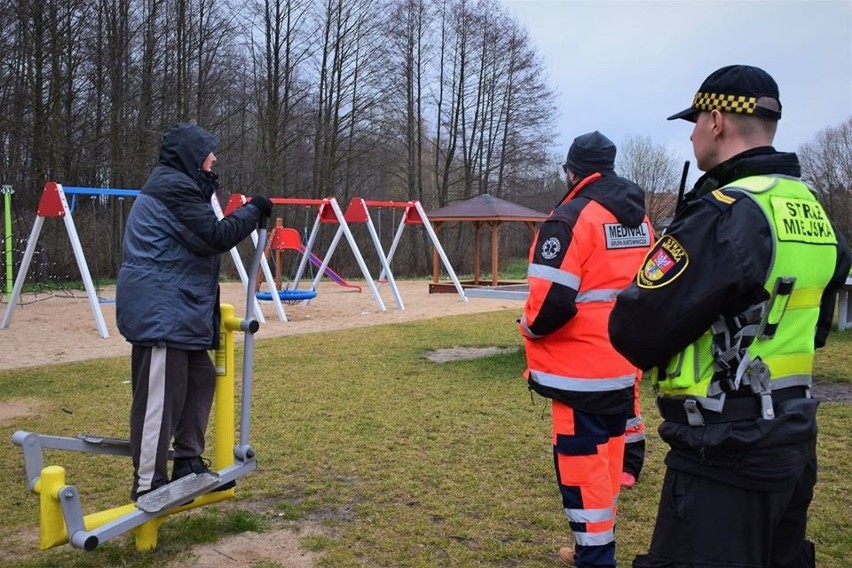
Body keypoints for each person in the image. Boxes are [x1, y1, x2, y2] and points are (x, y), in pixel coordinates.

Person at [609, 65, 852, 568]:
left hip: (722, 454)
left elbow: (636, 330)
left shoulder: (725, 214)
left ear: (716, 120)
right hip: (790, 441)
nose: (694, 133)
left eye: (695, 121)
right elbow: (811, 326)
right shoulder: (810, 210)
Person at [116, 122, 273, 501]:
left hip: (177, 307)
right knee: (161, 396)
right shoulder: (173, 189)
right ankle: (148, 484)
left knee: (201, 375)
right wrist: (253, 211)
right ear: (191, 156)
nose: (214, 161)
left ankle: (187, 459)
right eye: (208, 155)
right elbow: (214, 237)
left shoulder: (183, 188)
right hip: (161, 310)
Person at [519, 131, 654, 567]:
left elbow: (550, 305)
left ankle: (594, 559)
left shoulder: (570, 219)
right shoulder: (640, 220)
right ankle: (590, 550)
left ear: (573, 171)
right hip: (622, 368)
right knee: (607, 469)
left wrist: (528, 329)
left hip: (578, 377)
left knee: (583, 478)